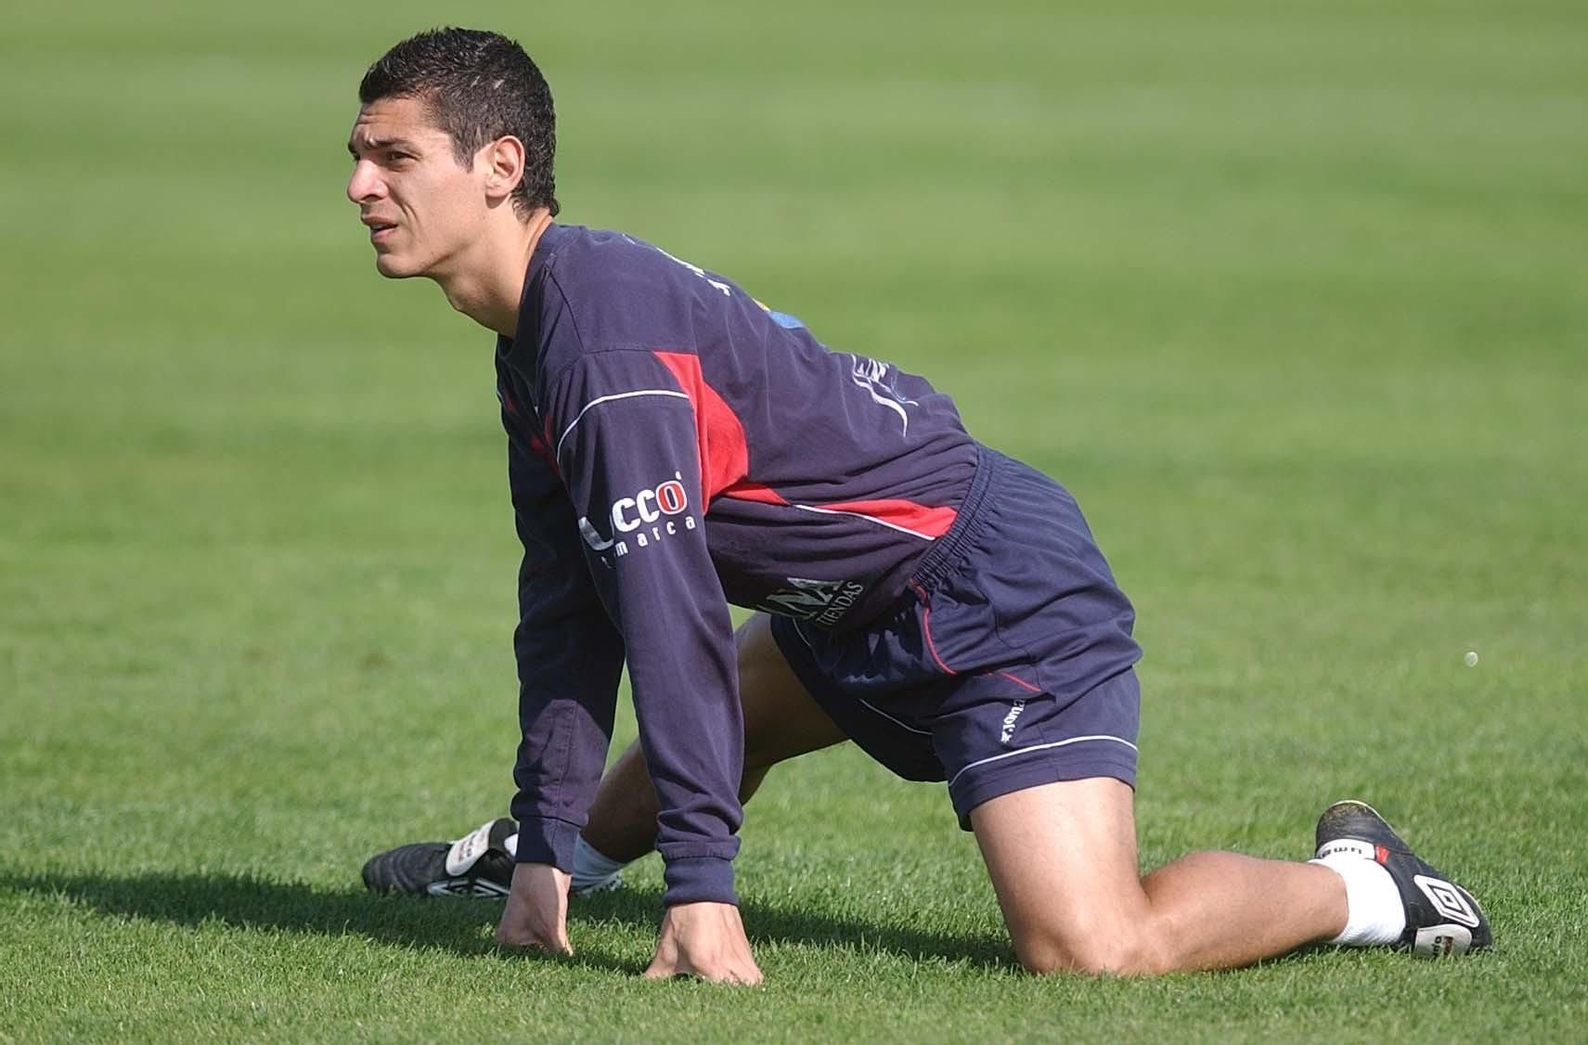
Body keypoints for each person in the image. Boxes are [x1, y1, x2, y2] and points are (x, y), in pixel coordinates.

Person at [346, 27, 1490, 983]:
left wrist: (703, 890)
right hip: (842, 607)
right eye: (356, 156)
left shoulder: (600, 346)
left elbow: (667, 617)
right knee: (711, 704)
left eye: (393, 157)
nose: (360, 187)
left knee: (1089, 948)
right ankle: (539, 860)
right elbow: (568, 601)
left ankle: (1363, 887)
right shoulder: (540, 335)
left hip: (994, 593)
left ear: (499, 165)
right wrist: (548, 837)